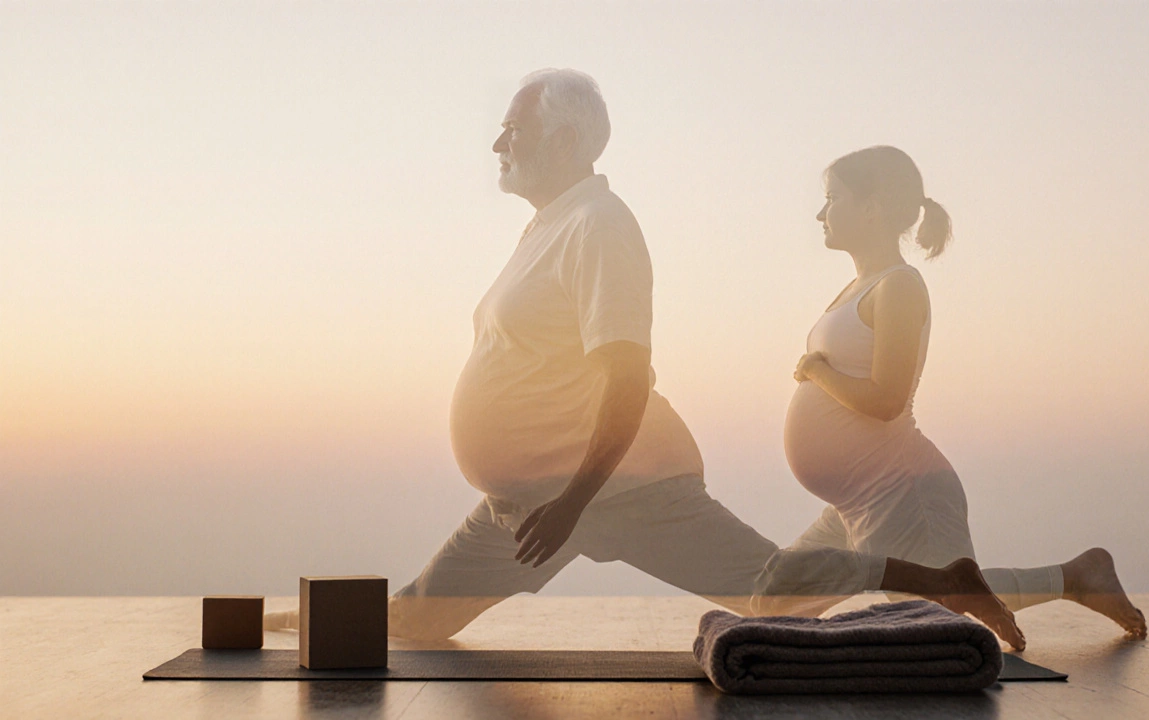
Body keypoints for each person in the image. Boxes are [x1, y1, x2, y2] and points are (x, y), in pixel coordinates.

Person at [266, 72, 1026, 649]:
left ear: (564, 142)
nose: (497, 144)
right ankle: (267, 621)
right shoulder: (548, 228)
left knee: (768, 597)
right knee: (418, 621)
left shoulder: (599, 225)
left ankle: (937, 582)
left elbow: (629, 380)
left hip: (620, 487)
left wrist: (573, 504)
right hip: (529, 501)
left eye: (511, 130)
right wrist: (549, 503)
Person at [768, 146, 1146, 640]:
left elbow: (886, 400)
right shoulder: (859, 286)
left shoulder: (898, 287)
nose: (820, 213)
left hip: (901, 491)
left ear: (871, 207)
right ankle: (1076, 576)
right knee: (773, 601)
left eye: (832, 198)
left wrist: (818, 372)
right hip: (855, 500)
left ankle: (1078, 578)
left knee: (941, 610)